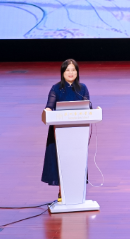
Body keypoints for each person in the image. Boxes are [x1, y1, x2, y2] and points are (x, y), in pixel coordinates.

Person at [41, 59, 91, 202]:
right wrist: (47, 111)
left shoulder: (82, 88)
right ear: (62, 72)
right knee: (61, 162)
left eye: (73, 70)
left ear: (77, 72)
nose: (71, 73)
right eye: (68, 70)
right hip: (59, 132)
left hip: (78, 132)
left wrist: (93, 110)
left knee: (76, 161)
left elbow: (88, 106)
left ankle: (77, 193)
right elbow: (49, 106)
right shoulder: (56, 88)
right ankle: (62, 191)